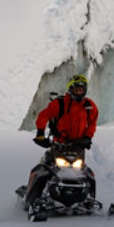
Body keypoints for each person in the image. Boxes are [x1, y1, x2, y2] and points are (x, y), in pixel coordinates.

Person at [24, 74, 99, 208]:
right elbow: (43, 116)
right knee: (46, 171)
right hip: (59, 145)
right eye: (76, 90)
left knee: (86, 173)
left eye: (81, 90)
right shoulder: (60, 104)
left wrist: (88, 137)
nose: (79, 92)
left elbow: (92, 123)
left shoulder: (89, 106)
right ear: (71, 90)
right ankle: (34, 198)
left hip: (78, 147)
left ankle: (88, 198)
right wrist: (41, 134)